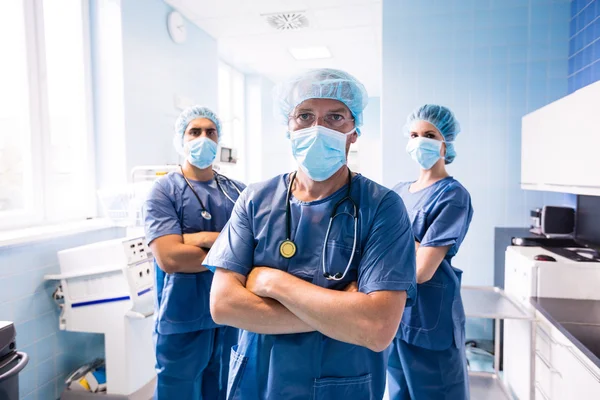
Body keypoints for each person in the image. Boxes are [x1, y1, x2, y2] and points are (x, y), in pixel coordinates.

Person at [203, 68, 417, 400]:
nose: (318, 128)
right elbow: (223, 304)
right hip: (259, 383)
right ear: (288, 128)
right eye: (305, 116)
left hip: (342, 385)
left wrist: (274, 284)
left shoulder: (382, 207)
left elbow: (377, 329)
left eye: (335, 117)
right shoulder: (256, 200)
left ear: (354, 131)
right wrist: (344, 311)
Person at [143, 106, 245, 400]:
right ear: (181, 139)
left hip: (230, 314)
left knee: (225, 390)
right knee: (179, 392)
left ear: (219, 138)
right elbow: (171, 258)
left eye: (210, 132)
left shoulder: (238, 192)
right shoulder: (164, 191)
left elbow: (253, 250)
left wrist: (199, 239)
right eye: (194, 131)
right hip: (182, 317)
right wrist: (229, 249)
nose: (203, 138)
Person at [387, 104, 474, 399]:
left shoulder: (453, 195)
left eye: (429, 134)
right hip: (395, 317)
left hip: (430, 320)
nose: (419, 140)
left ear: (444, 143)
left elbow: (422, 270)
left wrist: (393, 238)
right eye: (413, 134)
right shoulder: (398, 191)